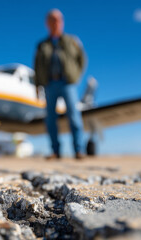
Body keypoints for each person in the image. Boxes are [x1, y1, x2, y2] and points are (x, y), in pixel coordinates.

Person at [34, 9, 86, 160]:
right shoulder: (41, 45)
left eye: (58, 19)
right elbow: (37, 65)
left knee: (74, 116)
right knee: (50, 118)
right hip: (49, 84)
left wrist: (75, 77)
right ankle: (55, 151)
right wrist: (38, 85)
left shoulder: (72, 41)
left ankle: (79, 150)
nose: (55, 22)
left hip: (67, 83)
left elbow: (82, 60)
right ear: (47, 23)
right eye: (52, 20)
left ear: (62, 22)